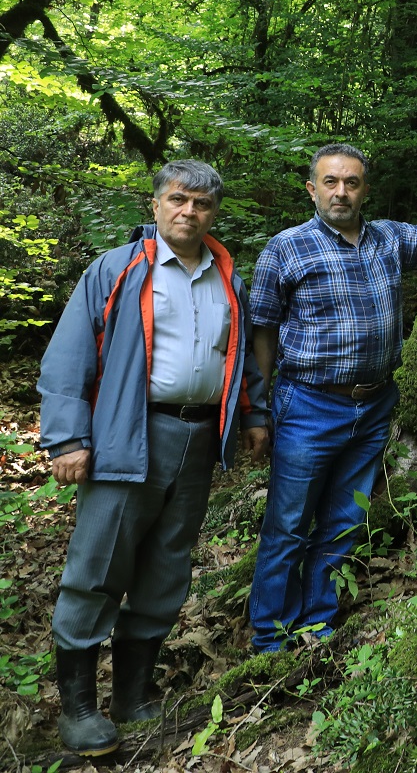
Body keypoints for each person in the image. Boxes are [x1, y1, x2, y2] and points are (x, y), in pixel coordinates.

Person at [37, 161, 267, 756]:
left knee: (167, 565)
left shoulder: (227, 275)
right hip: (126, 434)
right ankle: (79, 709)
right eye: (178, 199)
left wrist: (253, 416)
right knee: (99, 565)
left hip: (197, 439)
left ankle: (133, 695)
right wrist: (66, 439)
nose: (189, 212)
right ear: (158, 203)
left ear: (215, 212)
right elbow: (67, 360)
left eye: (202, 204)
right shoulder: (116, 269)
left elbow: (237, 354)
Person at [248, 144, 417, 652]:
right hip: (307, 405)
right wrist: (257, 412)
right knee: (287, 524)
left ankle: (315, 622)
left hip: (373, 406)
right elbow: (262, 334)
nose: (340, 191)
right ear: (312, 188)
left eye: (351, 182)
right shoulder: (286, 248)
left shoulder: (387, 238)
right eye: (330, 182)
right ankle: (269, 637)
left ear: (365, 189)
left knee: (343, 520)